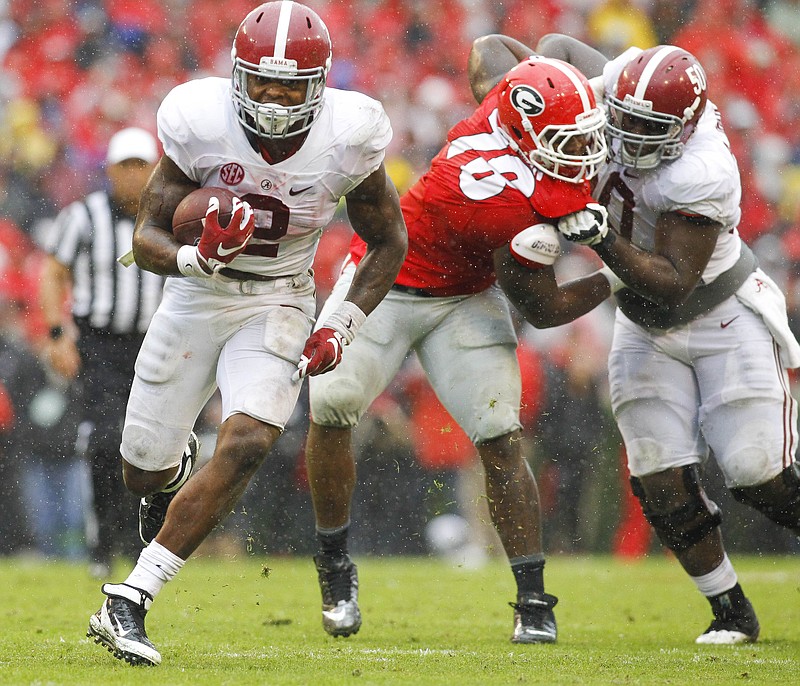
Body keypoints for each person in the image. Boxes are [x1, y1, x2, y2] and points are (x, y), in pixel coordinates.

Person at [85, 1, 407, 667]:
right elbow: (146, 235)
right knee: (139, 473)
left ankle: (132, 597)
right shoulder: (199, 119)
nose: (273, 95)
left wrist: (341, 324)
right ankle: (171, 474)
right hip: (195, 297)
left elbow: (387, 241)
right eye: (261, 79)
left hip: (279, 299)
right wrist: (192, 258)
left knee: (251, 439)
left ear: (319, 85)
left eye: (290, 84)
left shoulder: (351, 135)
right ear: (237, 74)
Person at [303, 35, 617, 645]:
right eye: (568, 141)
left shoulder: (508, 102)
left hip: (464, 293)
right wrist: (613, 272)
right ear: (527, 138)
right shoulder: (491, 200)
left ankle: (532, 599)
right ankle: (334, 565)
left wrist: (592, 83)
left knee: (500, 437)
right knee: (332, 408)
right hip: (389, 283)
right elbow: (545, 308)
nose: (583, 152)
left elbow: (494, 48)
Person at [538, 33, 800, 644]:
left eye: (648, 129)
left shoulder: (703, 169)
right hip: (642, 323)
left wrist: (600, 238)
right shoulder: (617, 84)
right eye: (621, 122)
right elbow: (551, 45)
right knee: (657, 475)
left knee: (757, 473)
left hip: (719, 314)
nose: (628, 141)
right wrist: (535, 89)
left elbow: (675, 282)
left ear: (685, 126)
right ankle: (730, 609)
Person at [40, 127, 164, 577]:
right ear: (109, 171)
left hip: (155, 345)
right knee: (107, 440)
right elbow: (53, 272)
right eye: (125, 166)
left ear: (154, 170)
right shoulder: (83, 217)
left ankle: (140, 541)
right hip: (101, 345)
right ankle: (104, 540)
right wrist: (57, 333)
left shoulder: (167, 217)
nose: (133, 176)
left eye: (140, 166)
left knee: (151, 445)